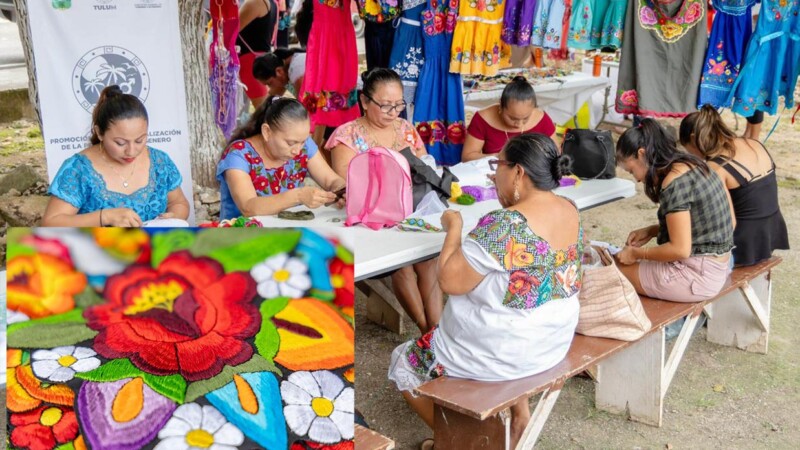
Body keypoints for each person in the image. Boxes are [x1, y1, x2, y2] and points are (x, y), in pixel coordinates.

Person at [388, 134, 580, 448]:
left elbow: (449, 281)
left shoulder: (505, 225)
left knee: (403, 363)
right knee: (518, 312)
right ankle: (520, 416)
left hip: (500, 354)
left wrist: (454, 229)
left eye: (497, 165)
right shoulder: (569, 208)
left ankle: (459, 443)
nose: (493, 175)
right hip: (552, 343)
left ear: (518, 172)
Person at [328, 68, 441, 333]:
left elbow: (425, 168)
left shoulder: (406, 129)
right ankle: (427, 333)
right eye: (386, 105)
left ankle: (437, 332)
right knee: (402, 265)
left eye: (399, 105)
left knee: (428, 259)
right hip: (370, 222)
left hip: (410, 212)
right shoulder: (347, 136)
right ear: (364, 101)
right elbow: (347, 186)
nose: (394, 112)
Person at [615, 119, 734, 302]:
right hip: (718, 265)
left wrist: (638, 253)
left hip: (698, 276)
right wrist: (652, 230)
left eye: (631, 171)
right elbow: (704, 226)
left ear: (642, 154)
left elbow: (680, 249)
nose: (637, 179)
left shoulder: (674, 182)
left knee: (613, 269)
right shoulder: (693, 164)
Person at [43, 86, 189, 227]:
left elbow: (178, 203)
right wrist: (104, 217)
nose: (131, 151)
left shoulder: (159, 161)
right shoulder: (78, 169)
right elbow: (51, 223)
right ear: (99, 133)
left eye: (139, 140)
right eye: (120, 143)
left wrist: (173, 217)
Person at [680, 105, 788, 267]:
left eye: (688, 149)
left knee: (679, 258)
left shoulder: (716, 168)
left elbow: (726, 223)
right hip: (771, 232)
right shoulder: (753, 143)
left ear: (694, 138)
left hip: (744, 243)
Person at [217, 96, 346, 219]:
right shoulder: (238, 155)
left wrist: (342, 190)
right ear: (267, 132)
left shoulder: (303, 145)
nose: (297, 150)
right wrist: (299, 196)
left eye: (303, 141)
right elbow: (248, 207)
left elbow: (330, 180)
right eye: (290, 143)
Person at [462, 76, 557, 161]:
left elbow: (556, 154)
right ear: (501, 106)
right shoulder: (483, 119)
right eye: (513, 118)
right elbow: (467, 157)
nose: (519, 124)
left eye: (525, 118)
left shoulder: (541, 119)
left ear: (533, 109)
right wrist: (498, 157)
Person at [237, 0, 278, 108]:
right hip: (261, 60)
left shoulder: (255, 2)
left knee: (263, 110)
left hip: (250, 63)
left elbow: (231, 29)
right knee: (263, 108)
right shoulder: (272, 3)